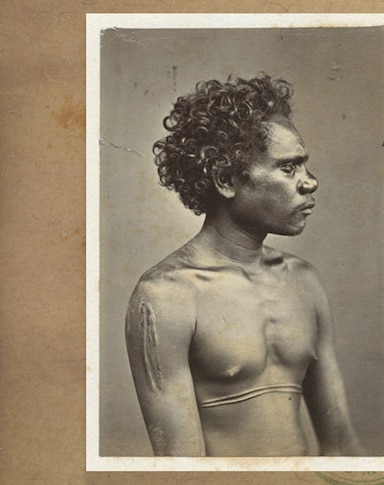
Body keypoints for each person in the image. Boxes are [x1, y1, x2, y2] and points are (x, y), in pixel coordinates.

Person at [125, 74, 362, 456]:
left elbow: (342, 447)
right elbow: (181, 472)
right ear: (225, 179)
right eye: (289, 168)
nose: (310, 183)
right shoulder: (165, 297)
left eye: (305, 166)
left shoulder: (304, 280)